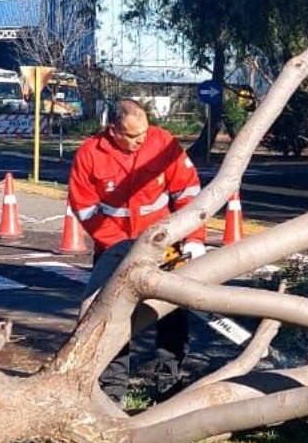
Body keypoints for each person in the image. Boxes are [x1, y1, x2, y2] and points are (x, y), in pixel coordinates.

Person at [69, 98, 208, 403]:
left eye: (144, 132)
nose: (141, 140)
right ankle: (111, 390)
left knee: (170, 317)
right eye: (133, 136)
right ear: (113, 130)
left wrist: (193, 238)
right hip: (113, 251)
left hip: (164, 250)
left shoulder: (163, 144)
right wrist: (122, 249)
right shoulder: (91, 154)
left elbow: (188, 192)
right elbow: (87, 209)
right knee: (110, 319)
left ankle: (166, 384)